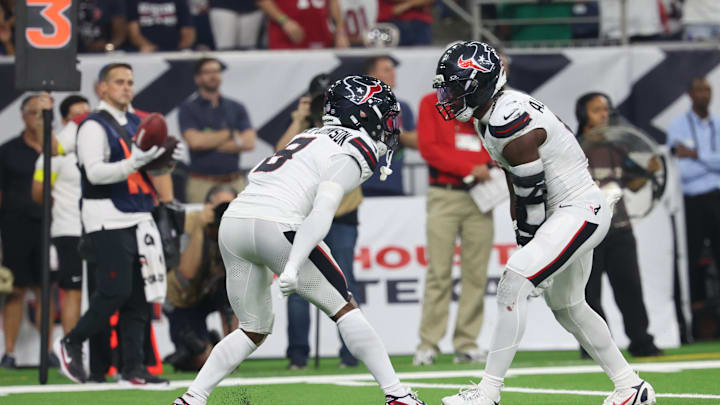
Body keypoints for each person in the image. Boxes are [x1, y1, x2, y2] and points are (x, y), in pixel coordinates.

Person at [173, 75, 425, 405]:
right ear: (363, 114)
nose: (389, 124)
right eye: (383, 113)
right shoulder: (356, 148)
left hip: (235, 220)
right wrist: (292, 266)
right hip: (276, 224)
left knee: (252, 327)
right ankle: (397, 395)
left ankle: (193, 397)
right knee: (345, 309)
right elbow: (323, 209)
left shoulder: (309, 134)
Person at [434, 41, 656, 405]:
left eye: (456, 86)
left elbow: (532, 190)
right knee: (569, 306)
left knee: (513, 282)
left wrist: (529, 243)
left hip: (577, 208)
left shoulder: (509, 116)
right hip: (565, 211)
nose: (448, 95)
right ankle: (631, 387)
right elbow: (516, 182)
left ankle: (488, 393)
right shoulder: (488, 115)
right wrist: (525, 234)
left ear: (482, 84)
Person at [54, 63, 183, 385]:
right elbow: (94, 173)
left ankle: (133, 368)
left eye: (130, 82)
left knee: (140, 297)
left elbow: (149, 173)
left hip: (140, 215)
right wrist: (134, 162)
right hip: (106, 217)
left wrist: (163, 160)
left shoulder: (139, 122)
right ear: (102, 88)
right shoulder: (92, 126)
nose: (126, 87)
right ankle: (71, 341)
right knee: (114, 291)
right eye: (119, 82)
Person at [276, 73, 360, 369]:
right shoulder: (305, 130)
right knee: (298, 283)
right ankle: (298, 355)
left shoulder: (352, 125)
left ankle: (351, 353)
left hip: (343, 216)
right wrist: (299, 118)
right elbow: (279, 156)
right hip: (306, 217)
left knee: (345, 283)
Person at [574, 92, 662, 358]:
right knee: (589, 295)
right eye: (597, 110)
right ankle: (595, 347)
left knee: (630, 289)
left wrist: (648, 171)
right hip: (586, 232)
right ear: (583, 115)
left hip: (620, 228)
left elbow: (631, 183)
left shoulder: (618, 147)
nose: (604, 115)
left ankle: (642, 342)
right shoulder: (573, 147)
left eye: (606, 109)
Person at [413, 85, 494, 366]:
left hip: (480, 197)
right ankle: (428, 344)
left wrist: (484, 164)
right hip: (444, 194)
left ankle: (467, 343)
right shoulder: (429, 101)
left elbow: (492, 142)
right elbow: (430, 148)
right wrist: (470, 168)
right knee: (439, 271)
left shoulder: (484, 101)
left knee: (476, 273)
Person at [0, 93, 58, 369]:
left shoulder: (57, 149)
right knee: (15, 290)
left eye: (46, 114)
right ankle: (9, 352)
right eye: (36, 113)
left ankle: (48, 351)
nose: (41, 119)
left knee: (46, 290)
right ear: (24, 116)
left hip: (51, 227)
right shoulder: (8, 150)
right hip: (16, 227)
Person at [666, 77, 720, 338]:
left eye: (707, 89)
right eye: (699, 90)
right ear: (690, 94)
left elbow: (691, 161)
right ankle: (692, 325)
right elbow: (681, 171)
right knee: (692, 258)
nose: (704, 94)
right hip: (692, 201)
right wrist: (712, 162)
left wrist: (697, 155)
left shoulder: (718, 123)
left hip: (717, 197)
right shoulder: (677, 126)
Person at [31, 95, 90, 337]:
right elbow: (38, 193)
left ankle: (101, 355)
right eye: (78, 115)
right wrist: (65, 205)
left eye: (88, 114)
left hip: (100, 228)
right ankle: (72, 350)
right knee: (73, 290)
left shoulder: (99, 148)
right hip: (69, 230)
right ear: (66, 121)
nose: (84, 119)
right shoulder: (55, 154)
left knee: (101, 292)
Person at [164, 185, 237, 371]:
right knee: (201, 359)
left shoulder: (238, 228)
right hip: (182, 298)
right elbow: (187, 272)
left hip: (210, 292)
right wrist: (200, 228)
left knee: (237, 292)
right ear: (207, 206)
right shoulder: (191, 221)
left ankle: (233, 353)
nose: (224, 212)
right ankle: (198, 348)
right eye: (220, 207)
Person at [179, 57, 256, 204]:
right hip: (201, 183)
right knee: (200, 225)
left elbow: (249, 142)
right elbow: (195, 142)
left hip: (234, 181)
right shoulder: (188, 109)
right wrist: (230, 134)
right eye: (207, 72)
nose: (213, 75)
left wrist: (209, 141)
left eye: (216, 71)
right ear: (197, 78)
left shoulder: (236, 107)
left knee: (238, 225)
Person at [362, 55, 417, 196]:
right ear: (371, 77)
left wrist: (396, 128)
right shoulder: (357, 107)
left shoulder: (402, 107)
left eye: (393, 69)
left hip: (393, 184)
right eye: (386, 70)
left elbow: (418, 142)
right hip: (362, 185)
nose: (393, 73)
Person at [257, 0, 350, 49]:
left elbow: (333, 2)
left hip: (320, 36)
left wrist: (340, 32)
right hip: (287, 38)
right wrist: (284, 21)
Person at [127, 0, 196, 52]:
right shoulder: (133, 1)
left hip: (175, 52)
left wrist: (178, 51)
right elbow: (133, 32)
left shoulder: (180, 1)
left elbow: (188, 32)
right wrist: (145, 45)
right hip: (144, 51)